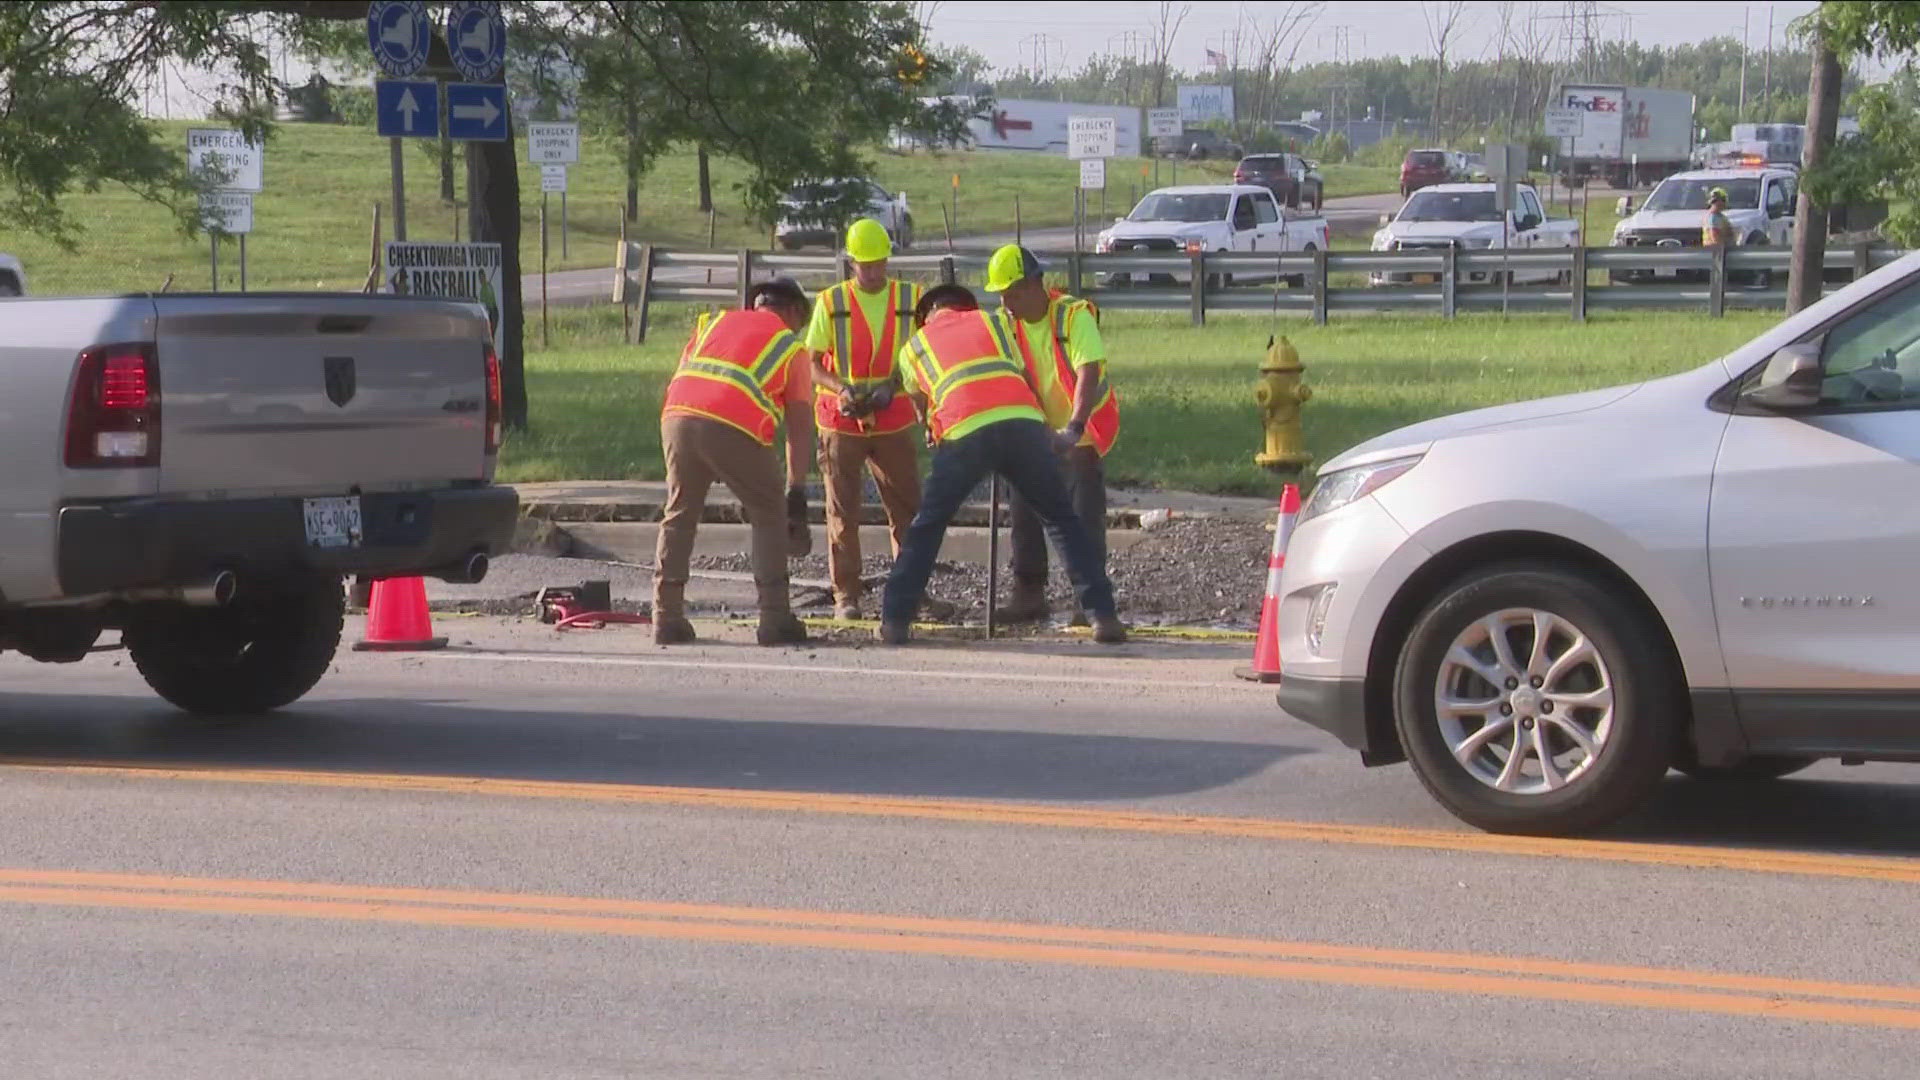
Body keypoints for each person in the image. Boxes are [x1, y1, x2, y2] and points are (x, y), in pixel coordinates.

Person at [878, 285, 1126, 646]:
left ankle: (896, 619)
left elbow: (923, 408)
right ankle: (1102, 615)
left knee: (928, 525)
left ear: (928, 315)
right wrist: (1042, 430)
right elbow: (1022, 376)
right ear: (966, 307)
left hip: (965, 430)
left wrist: (935, 430)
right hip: (1022, 422)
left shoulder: (915, 345)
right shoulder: (994, 323)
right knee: (1061, 520)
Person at [654, 277, 815, 647]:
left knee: (679, 512)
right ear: (792, 312)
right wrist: (796, 489)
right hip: (733, 423)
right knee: (768, 512)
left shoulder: (712, 322)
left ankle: (666, 616)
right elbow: (799, 426)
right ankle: (775, 618)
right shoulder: (791, 347)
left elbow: (686, 373)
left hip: (677, 415)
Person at [983, 244, 1121, 627]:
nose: (1005, 302)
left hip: (1083, 430)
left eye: (1011, 293)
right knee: (1024, 512)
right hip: (1035, 430)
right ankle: (1029, 594)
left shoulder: (1074, 317)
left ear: (1034, 285)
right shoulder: (1005, 323)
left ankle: (1088, 602)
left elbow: (1087, 373)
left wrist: (1074, 428)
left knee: (1082, 517)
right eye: (1000, 295)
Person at [802, 217, 924, 620]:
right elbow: (812, 363)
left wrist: (895, 382)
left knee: (907, 510)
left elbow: (926, 355)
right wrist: (841, 390)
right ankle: (846, 597)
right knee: (842, 513)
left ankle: (909, 593)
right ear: (850, 262)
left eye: (879, 263)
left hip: (894, 418)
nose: (873, 272)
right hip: (842, 422)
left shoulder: (911, 298)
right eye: (865, 264)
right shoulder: (832, 302)